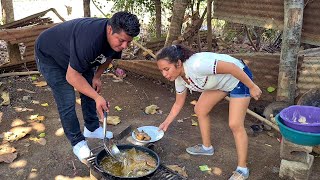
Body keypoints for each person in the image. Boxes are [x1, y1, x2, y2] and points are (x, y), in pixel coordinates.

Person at [35, 12, 140, 163]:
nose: (124, 46)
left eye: (128, 42)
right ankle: (77, 142)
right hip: (50, 56)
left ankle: (91, 128)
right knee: (67, 99)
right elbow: (72, 77)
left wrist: (97, 76)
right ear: (110, 30)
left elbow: (110, 55)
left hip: (74, 54)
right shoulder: (90, 41)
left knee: (90, 86)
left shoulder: (116, 38)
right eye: (122, 41)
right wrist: (97, 98)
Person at [156, 45, 262, 180]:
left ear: (178, 63)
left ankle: (242, 169)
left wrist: (252, 86)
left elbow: (232, 68)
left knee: (235, 124)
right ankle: (207, 148)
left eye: (166, 69)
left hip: (239, 79)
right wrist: (166, 122)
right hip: (220, 83)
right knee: (200, 109)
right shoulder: (179, 79)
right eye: (161, 71)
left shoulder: (197, 65)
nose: (164, 74)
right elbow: (178, 103)